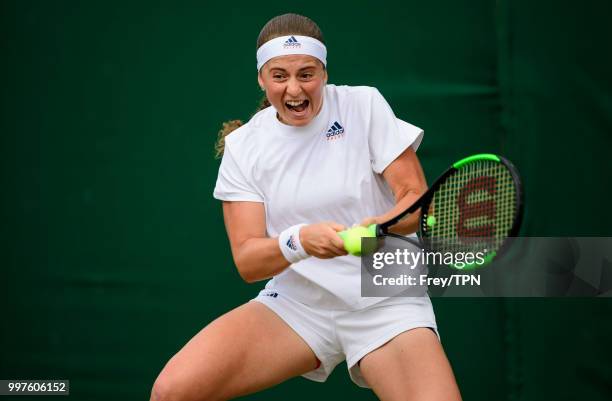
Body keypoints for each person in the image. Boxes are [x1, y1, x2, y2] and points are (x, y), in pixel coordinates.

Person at [150, 13, 462, 401]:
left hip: (385, 300)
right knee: (172, 392)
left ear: (324, 73)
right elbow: (248, 260)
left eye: (306, 73)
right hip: (298, 305)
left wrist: (379, 226)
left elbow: (415, 199)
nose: (294, 88)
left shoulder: (363, 105)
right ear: (262, 79)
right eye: (279, 76)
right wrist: (300, 241)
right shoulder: (244, 146)